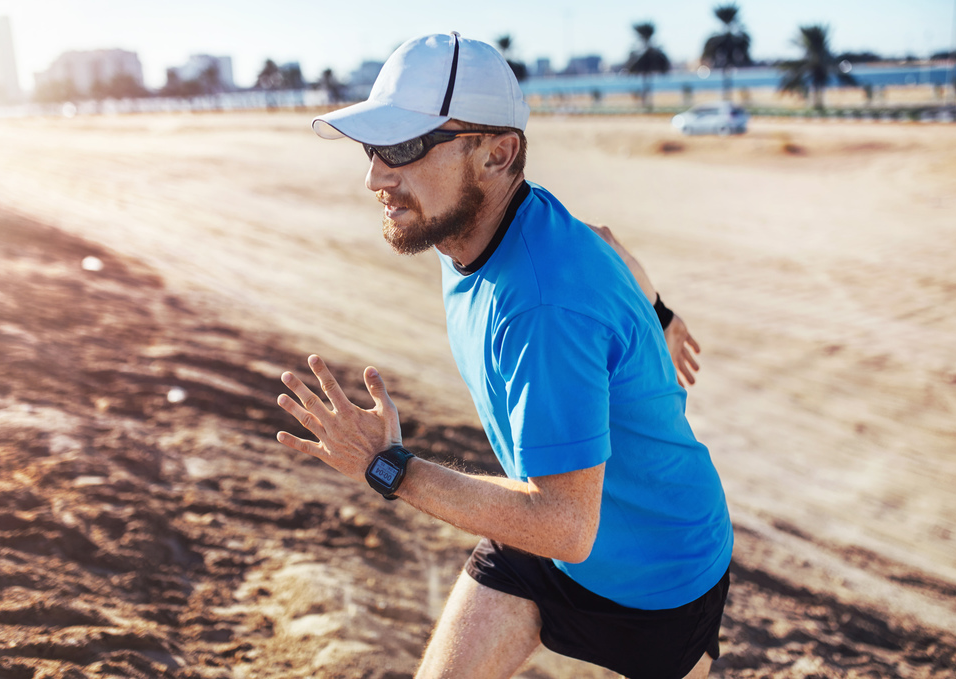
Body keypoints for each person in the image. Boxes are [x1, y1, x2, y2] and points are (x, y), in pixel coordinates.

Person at [276, 33, 732, 679]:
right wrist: (660, 313)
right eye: (372, 147)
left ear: (497, 153)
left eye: (403, 148)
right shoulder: (482, 222)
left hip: (658, 576)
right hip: (540, 528)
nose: (376, 175)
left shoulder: (544, 307)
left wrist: (387, 466)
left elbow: (566, 526)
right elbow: (602, 238)